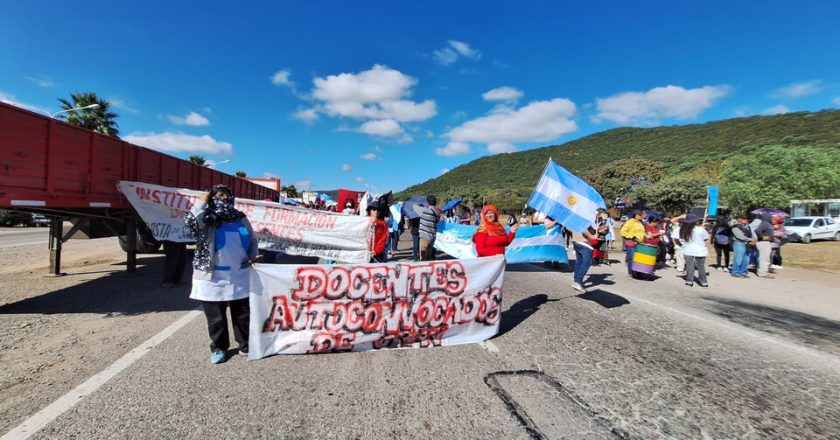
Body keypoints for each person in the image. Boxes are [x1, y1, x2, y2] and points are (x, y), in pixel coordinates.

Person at [185, 184, 259, 364]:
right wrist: (201, 202)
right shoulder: (207, 219)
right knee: (216, 318)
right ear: (211, 197)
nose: (224, 199)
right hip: (212, 278)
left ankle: (245, 345)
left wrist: (252, 255)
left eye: (227, 195)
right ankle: (219, 347)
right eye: (219, 195)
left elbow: (252, 238)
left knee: (242, 314)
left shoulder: (240, 218)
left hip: (239, 275)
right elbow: (191, 221)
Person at [564, 214, 607, 292]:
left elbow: (568, 228)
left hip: (576, 242)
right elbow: (589, 234)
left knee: (579, 262)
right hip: (585, 244)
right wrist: (595, 234)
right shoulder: (585, 222)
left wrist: (598, 230)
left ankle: (576, 280)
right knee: (587, 263)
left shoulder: (576, 221)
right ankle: (578, 281)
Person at [679, 214, 710, 287]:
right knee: (701, 266)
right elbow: (706, 238)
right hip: (700, 250)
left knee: (689, 265)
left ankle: (689, 281)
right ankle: (703, 282)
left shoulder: (683, 229)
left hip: (688, 249)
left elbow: (681, 240)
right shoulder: (700, 229)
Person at [619, 209, 646, 279]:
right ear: (636, 215)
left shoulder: (641, 223)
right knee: (631, 258)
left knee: (639, 259)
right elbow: (622, 231)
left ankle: (638, 272)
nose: (641, 216)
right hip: (632, 242)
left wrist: (646, 236)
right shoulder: (630, 222)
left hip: (640, 243)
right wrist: (631, 237)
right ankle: (630, 273)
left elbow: (642, 232)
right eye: (640, 215)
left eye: (641, 215)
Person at [730, 213, 755, 278]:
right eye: (743, 218)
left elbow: (751, 234)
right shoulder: (735, 226)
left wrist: (753, 239)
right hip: (739, 243)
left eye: (746, 218)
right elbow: (740, 236)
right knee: (738, 259)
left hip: (747, 244)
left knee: (746, 259)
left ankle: (743, 272)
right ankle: (735, 272)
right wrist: (751, 239)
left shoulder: (747, 226)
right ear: (739, 219)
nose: (746, 220)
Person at [752, 214, 775, 278]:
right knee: (764, 258)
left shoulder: (768, 224)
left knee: (765, 258)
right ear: (768, 218)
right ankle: (762, 273)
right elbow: (757, 230)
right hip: (763, 243)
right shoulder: (765, 223)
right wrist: (762, 237)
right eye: (772, 218)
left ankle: (764, 271)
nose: (773, 219)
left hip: (766, 243)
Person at [418, 195, 440, 261]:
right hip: (432, 237)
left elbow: (414, 207)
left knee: (423, 257)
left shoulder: (424, 211)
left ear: (427, 202)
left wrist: (419, 203)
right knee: (428, 257)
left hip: (424, 237)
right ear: (435, 202)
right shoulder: (437, 213)